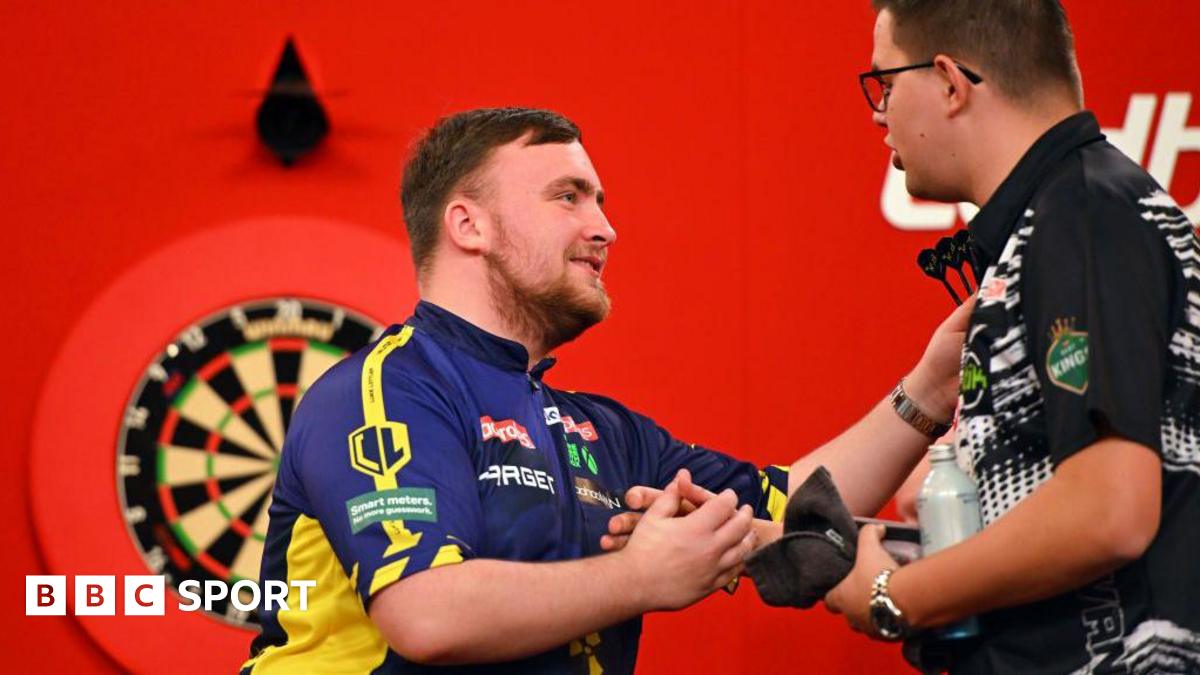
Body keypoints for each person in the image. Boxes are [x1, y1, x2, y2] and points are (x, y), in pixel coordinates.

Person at [240, 107, 967, 674]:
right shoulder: (385, 389)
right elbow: (425, 613)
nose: (606, 228)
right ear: (468, 224)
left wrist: (930, 390)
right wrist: (639, 576)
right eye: (569, 197)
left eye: (599, 201)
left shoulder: (603, 433)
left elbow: (801, 507)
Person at [817, 1, 1200, 672]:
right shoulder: (1073, 211)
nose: (879, 113)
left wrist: (894, 596)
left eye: (886, 83)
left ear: (949, 82)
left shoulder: (1080, 216)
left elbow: (1110, 508)